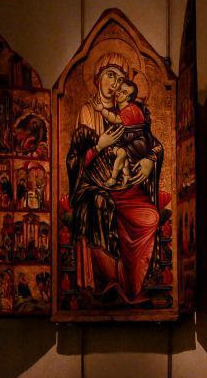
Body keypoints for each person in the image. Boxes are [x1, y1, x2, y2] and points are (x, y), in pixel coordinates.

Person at [66, 60, 163, 305]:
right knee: (100, 205)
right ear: (97, 77)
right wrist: (99, 146)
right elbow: (74, 160)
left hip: (126, 186)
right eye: (110, 75)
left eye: (120, 79)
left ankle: (132, 287)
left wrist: (150, 159)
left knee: (150, 216)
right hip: (95, 187)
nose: (115, 83)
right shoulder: (88, 111)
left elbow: (152, 143)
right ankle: (107, 284)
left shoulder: (131, 110)